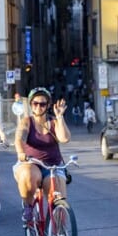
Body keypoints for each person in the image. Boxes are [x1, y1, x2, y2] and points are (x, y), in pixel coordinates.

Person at [13, 88, 70, 223]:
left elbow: (64, 138)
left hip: (53, 166)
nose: (39, 107)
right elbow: (19, 138)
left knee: (59, 202)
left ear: (48, 105)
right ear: (31, 105)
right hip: (32, 163)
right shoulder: (27, 122)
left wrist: (60, 117)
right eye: (35, 103)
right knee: (28, 175)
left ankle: (59, 235)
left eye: (42, 104)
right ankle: (28, 206)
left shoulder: (54, 122)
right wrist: (21, 153)